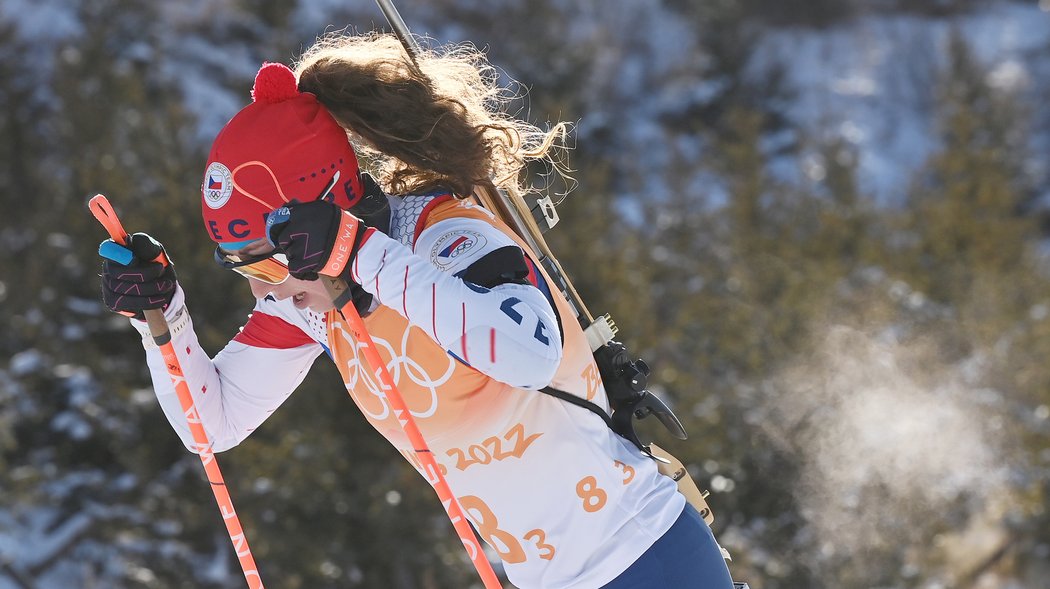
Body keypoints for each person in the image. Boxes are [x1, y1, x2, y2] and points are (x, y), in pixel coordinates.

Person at [100, 31, 735, 589]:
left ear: (325, 221)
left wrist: (360, 252)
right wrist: (163, 317)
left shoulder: (449, 237)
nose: (267, 291)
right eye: (245, 270)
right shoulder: (317, 303)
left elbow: (529, 353)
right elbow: (210, 426)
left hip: (645, 555)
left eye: (270, 263)